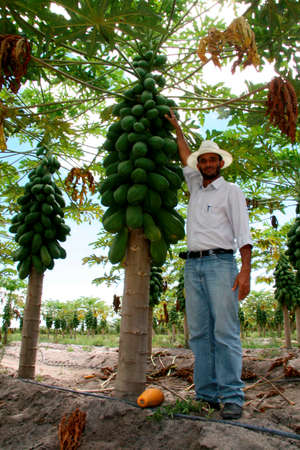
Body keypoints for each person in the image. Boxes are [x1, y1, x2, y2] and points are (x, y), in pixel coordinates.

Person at [165, 110, 252, 420]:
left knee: (225, 332)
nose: (207, 164)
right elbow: (184, 154)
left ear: (220, 163)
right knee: (200, 334)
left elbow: (244, 234)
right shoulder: (195, 185)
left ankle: (232, 397)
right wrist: (176, 127)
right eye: (203, 161)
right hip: (192, 267)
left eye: (212, 160)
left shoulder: (231, 191)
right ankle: (206, 395)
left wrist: (245, 272)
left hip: (221, 264)